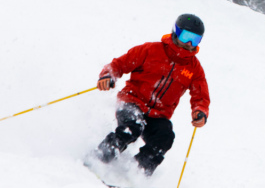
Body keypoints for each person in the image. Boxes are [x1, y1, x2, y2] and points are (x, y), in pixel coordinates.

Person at [90, 14, 210, 177]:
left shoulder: (194, 69)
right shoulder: (150, 50)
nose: (189, 43)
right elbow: (119, 64)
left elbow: (200, 94)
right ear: (176, 32)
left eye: (195, 40)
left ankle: (136, 173)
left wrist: (200, 111)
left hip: (159, 115)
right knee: (132, 127)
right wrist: (108, 76)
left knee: (165, 137)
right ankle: (99, 158)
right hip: (132, 102)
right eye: (186, 36)